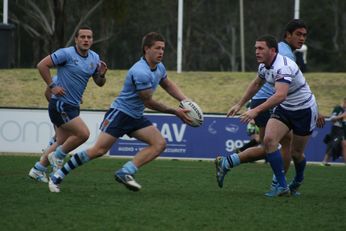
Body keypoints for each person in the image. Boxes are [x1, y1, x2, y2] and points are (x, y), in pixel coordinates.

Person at [48, 32, 193, 193]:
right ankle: (58, 176)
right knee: (98, 150)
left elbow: (167, 84)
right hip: (119, 114)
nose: (161, 52)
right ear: (146, 49)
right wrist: (175, 111)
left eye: (163, 49)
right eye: (157, 48)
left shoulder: (159, 67)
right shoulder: (140, 71)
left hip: (136, 116)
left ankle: (126, 171)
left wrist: (186, 100)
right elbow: (148, 101)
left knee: (159, 144)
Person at [215, 34, 319, 197]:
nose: (256, 51)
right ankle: (282, 186)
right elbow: (257, 83)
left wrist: (255, 110)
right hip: (284, 109)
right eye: (256, 48)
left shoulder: (282, 66)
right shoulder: (264, 66)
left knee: (296, 153)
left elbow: (280, 95)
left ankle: (297, 180)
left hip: (304, 110)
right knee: (269, 141)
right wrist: (239, 104)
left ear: (272, 50)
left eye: (260, 48)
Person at [28, 26, 107, 183]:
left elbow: (99, 83)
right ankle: (58, 156)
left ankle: (38, 169)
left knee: (61, 141)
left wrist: (102, 74)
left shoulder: (94, 58)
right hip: (60, 104)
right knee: (84, 134)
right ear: (76, 39)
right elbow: (41, 65)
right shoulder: (66, 53)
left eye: (89, 37)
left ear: (92, 40)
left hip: (73, 106)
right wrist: (52, 86)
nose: (86, 40)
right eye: (82, 37)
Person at [321, 98, 346, 165]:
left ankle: (344, 162)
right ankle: (325, 161)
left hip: (341, 130)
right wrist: (342, 116)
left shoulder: (344, 110)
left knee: (342, 144)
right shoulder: (338, 108)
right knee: (333, 144)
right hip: (336, 129)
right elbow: (332, 119)